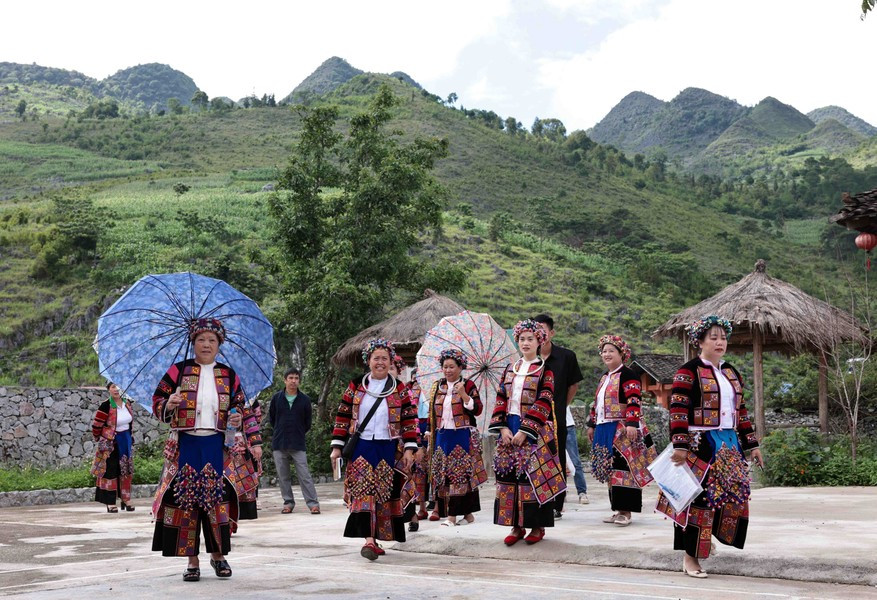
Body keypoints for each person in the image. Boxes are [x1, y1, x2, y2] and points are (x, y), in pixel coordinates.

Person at [151, 318, 262, 582]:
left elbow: (241, 408)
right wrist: (170, 403)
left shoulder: (228, 374)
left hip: (217, 445)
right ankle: (192, 561)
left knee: (216, 501)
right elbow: (157, 400)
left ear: (219, 344)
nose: (206, 344)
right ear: (193, 343)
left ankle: (218, 556)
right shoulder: (178, 372)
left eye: (212, 340)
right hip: (186, 444)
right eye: (201, 339)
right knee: (187, 501)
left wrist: (237, 419)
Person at [660, 316, 764, 578]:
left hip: (729, 444)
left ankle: (707, 540)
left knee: (728, 498)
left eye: (723, 338)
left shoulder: (730, 372)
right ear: (700, 341)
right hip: (701, 444)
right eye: (713, 338)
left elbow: (740, 411)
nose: (720, 342)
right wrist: (681, 444)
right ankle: (690, 556)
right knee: (699, 500)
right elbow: (678, 409)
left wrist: (752, 444)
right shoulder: (688, 371)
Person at [329, 338, 418, 561]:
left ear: (391, 362)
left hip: (389, 447)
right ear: (368, 361)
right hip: (362, 446)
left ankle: (376, 538)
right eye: (375, 358)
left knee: (383, 493)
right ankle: (368, 539)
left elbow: (409, 419)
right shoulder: (356, 385)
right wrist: (337, 447)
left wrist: (409, 448)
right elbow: (343, 416)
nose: (380, 362)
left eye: (384, 359)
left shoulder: (399, 388)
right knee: (364, 491)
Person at [489, 319, 565, 546]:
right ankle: (516, 525)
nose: (525, 342)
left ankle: (537, 526)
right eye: (522, 339)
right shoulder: (510, 369)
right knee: (510, 476)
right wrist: (502, 427)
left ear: (539, 341)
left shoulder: (546, 371)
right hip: (509, 427)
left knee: (533, 477)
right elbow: (501, 397)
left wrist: (525, 429)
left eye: (530, 339)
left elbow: (544, 401)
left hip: (535, 430)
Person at [586, 335, 657, 527]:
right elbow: (597, 405)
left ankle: (627, 512)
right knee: (610, 469)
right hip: (605, 427)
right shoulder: (604, 377)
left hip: (622, 428)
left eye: (611, 351)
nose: (607, 354)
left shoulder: (628, 374)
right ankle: (617, 509)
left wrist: (632, 423)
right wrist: (592, 424)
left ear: (621, 354)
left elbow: (634, 400)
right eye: (604, 351)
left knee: (624, 468)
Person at [425, 348, 487, 526]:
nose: (448, 370)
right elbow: (431, 413)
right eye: (445, 366)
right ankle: (467, 514)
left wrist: (464, 395)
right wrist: (430, 432)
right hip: (442, 436)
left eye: (452, 366)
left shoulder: (468, 385)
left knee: (459, 474)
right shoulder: (437, 386)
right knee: (443, 475)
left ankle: (452, 516)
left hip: (461, 435)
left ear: (461, 367)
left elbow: (478, 409)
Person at [533, 314, 585, 515]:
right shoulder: (529, 358)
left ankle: (557, 503)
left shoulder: (566, 356)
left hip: (556, 417)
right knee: (535, 456)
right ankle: (537, 499)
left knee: (557, 456)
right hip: (532, 418)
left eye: (543, 330)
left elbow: (573, 385)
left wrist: (562, 406)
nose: (540, 335)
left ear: (552, 332)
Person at [268, 368, 320, 515]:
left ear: (299, 381)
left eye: (296, 378)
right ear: (285, 380)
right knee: (283, 476)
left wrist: (297, 432)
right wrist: (280, 430)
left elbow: (307, 423)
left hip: (298, 442)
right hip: (279, 442)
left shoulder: (305, 400)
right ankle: (288, 503)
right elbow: (272, 419)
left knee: (304, 475)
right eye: (290, 378)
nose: (293, 381)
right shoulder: (276, 398)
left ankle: (313, 504)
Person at [91, 381, 135, 513]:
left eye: (119, 386)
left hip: (125, 440)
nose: (116, 389)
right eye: (113, 387)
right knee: (110, 469)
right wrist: (100, 437)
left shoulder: (127, 403)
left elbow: (130, 423)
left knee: (125, 470)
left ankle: (126, 499)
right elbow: (97, 424)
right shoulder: (106, 405)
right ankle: (110, 502)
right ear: (108, 389)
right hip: (111, 442)